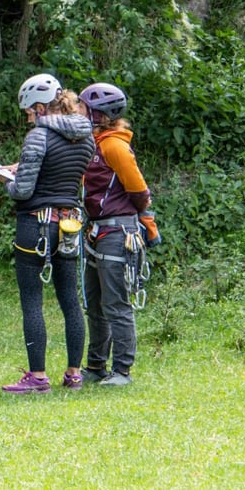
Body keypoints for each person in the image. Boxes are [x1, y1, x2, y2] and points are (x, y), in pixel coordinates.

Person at [0, 74, 96, 394]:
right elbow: (63, 175)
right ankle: (73, 374)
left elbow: (23, 190)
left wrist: (7, 181)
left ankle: (37, 377)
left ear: (40, 107)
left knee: (32, 301)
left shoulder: (38, 135)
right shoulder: (87, 137)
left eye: (29, 112)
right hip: (69, 224)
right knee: (70, 299)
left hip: (35, 224)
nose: (29, 119)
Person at [80, 82, 152, 386]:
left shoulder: (114, 146)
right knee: (94, 303)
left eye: (84, 107)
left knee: (115, 303)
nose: (79, 112)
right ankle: (96, 365)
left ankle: (122, 370)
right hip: (96, 231)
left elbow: (139, 191)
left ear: (98, 114)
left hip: (117, 231)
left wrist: (139, 220)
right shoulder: (95, 142)